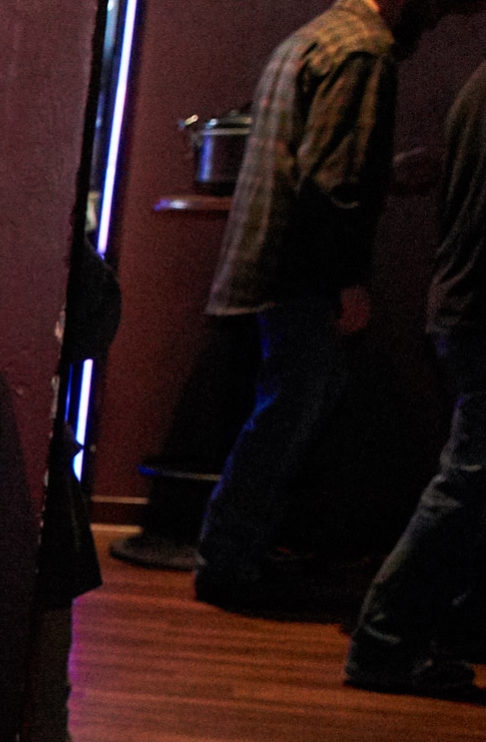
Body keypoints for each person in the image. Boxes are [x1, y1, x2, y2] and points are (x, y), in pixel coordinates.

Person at [194, 0, 485, 612]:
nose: (434, 22)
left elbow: (316, 166)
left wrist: (386, 174)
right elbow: (330, 188)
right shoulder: (364, 51)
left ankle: (231, 554)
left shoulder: (320, 37)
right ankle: (229, 562)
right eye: (434, 9)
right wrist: (348, 282)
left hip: (274, 265)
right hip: (304, 277)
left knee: (282, 415)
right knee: (287, 419)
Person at [344, 54, 486, 695]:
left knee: (470, 482)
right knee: (467, 483)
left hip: (461, 304)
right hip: (478, 310)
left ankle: (441, 626)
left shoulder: (476, 81)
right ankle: (382, 641)